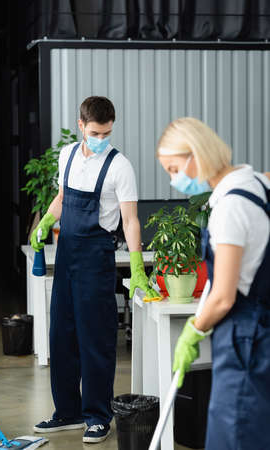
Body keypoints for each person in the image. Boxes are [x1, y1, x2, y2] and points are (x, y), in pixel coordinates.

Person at [30, 96, 158, 444]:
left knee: (95, 341)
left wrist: (137, 262)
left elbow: (130, 221)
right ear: (82, 125)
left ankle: (98, 416)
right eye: (97, 132)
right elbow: (61, 199)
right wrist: (43, 224)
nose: (102, 138)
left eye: (108, 132)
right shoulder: (68, 155)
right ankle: (67, 412)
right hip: (67, 257)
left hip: (96, 261)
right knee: (62, 336)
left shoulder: (120, 167)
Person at [156, 117, 270, 450]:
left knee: (234, 435)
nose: (173, 179)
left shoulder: (230, 206)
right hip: (260, 332)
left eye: (174, 168)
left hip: (244, 340)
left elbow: (223, 297)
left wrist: (193, 330)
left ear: (196, 154)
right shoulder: (255, 181)